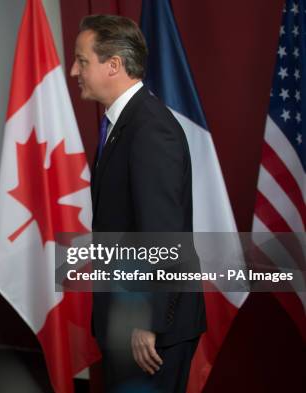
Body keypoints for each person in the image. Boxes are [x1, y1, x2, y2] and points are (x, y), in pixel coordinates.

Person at [70, 15, 206, 393]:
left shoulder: (150, 129)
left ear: (113, 65)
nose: (73, 70)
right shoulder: (123, 124)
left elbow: (162, 233)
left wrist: (149, 322)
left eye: (82, 61)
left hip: (151, 330)